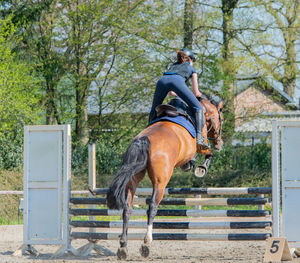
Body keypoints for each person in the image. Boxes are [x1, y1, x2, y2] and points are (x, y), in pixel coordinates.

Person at [149, 48, 209, 150]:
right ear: (189, 60)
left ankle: (148, 132)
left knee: (154, 109)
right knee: (198, 108)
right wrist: (203, 97)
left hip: (161, 82)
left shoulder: (173, 66)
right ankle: (199, 138)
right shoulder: (191, 69)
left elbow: (170, 91)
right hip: (177, 82)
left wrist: (181, 93)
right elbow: (196, 93)